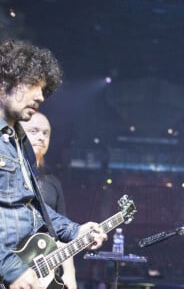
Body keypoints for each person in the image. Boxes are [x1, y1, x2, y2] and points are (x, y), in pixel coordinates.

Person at [0, 39, 107, 289]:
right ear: (4, 82)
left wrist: (75, 231)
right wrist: (9, 267)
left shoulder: (19, 142)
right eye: (32, 86)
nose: (40, 96)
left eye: (44, 90)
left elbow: (30, 210)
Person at [21, 112, 77, 289]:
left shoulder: (53, 182)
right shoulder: (8, 176)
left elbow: (60, 234)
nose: (41, 137)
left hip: (45, 276)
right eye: (34, 131)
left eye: (46, 133)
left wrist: (69, 274)